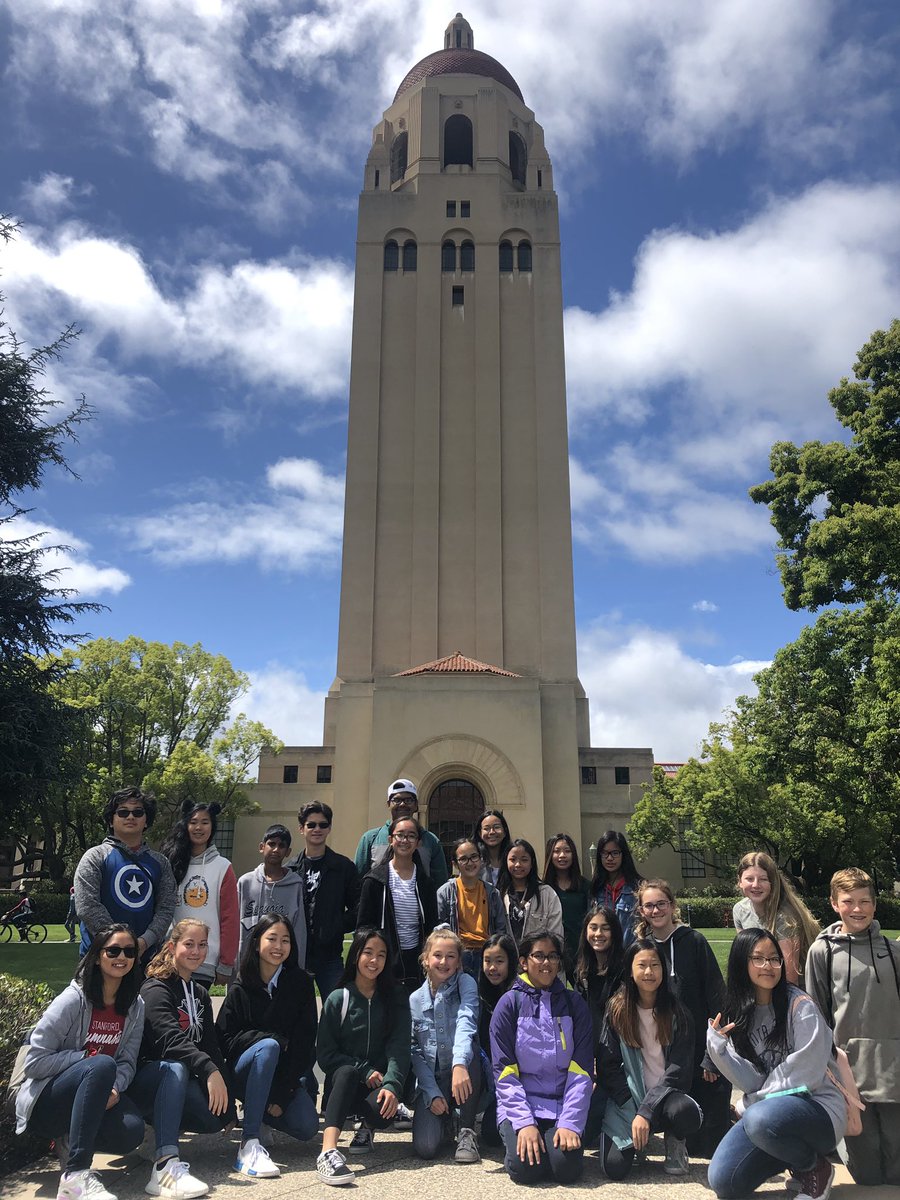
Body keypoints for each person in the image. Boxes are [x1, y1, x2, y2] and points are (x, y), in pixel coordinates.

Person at [707, 928, 847, 1200]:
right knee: (724, 1181)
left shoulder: (800, 1006)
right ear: (741, 962)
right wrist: (718, 1051)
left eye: (774, 959)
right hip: (771, 1115)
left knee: (758, 1118)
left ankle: (813, 1167)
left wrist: (753, 1102)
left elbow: (804, 1075)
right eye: (758, 958)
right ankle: (792, 1158)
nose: (768, 966)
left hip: (819, 1111)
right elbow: (751, 1082)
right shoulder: (741, 1014)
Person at [15, 924, 146, 1200]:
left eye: (129, 951)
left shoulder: (135, 1006)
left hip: (96, 1092)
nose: (121, 956)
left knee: (131, 1131)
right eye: (113, 950)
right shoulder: (73, 999)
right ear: (98, 956)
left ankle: (69, 1143)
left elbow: (127, 1062)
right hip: (47, 1102)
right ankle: (75, 1177)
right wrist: (86, 1058)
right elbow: (34, 1062)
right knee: (101, 1064)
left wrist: (114, 1088)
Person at [805, 866, 900, 1186]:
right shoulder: (822, 952)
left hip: (893, 1071)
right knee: (867, 1171)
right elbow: (814, 1016)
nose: (857, 909)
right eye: (848, 901)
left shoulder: (893, 952)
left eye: (864, 901)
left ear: (875, 904)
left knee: (897, 1168)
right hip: (849, 1075)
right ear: (834, 903)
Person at [128, 919, 235, 1200]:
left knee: (214, 1120)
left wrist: (229, 1106)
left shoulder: (199, 993)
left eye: (202, 945)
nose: (196, 951)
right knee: (174, 1068)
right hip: (147, 1080)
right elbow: (169, 1041)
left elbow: (211, 1046)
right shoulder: (155, 989)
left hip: (182, 1079)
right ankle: (164, 1164)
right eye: (189, 944)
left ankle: (162, 1128)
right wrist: (208, 1071)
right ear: (172, 946)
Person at [634, 878, 732, 1156]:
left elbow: (718, 1001)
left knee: (707, 1149)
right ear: (642, 911)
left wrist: (712, 1057)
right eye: (649, 906)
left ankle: (729, 1118)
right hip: (665, 1051)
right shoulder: (643, 950)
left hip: (701, 1053)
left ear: (672, 906)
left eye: (661, 904)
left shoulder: (695, 942)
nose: (656, 911)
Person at [216, 914, 319, 1178]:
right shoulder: (240, 986)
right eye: (272, 938)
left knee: (307, 1127)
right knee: (269, 1047)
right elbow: (224, 1040)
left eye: (285, 940)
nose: (279, 946)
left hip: (281, 1078)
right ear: (257, 942)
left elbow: (305, 1044)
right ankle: (249, 1143)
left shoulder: (302, 983)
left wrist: (282, 1094)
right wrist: (268, 1039)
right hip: (244, 1072)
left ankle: (259, 1112)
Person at [490, 929, 593, 1185]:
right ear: (524, 962)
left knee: (567, 1171)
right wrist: (524, 1123)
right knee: (525, 1170)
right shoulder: (509, 1004)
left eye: (553, 956)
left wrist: (570, 1122)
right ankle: (516, 1140)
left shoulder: (574, 1004)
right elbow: (504, 1073)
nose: (546, 963)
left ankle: (551, 1146)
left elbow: (582, 1071)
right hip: (521, 1104)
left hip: (562, 1106)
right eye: (538, 956)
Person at [314, 927, 412, 1185]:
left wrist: (392, 1085)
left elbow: (399, 1046)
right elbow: (326, 1054)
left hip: (377, 1086)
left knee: (384, 1108)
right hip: (344, 1087)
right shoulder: (339, 998)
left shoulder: (396, 997)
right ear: (355, 954)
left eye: (381, 955)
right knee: (346, 1072)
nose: (374, 960)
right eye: (368, 952)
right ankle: (327, 1152)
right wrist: (363, 1069)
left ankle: (367, 1128)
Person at [74, 787, 176, 960]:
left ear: (146, 821)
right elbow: (87, 906)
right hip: (99, 959)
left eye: (138, 812)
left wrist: (144, 942)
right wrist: (122, 944)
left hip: (146, 960)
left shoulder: (161, 863)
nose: (130, 817)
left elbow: (166, 908)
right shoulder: (95, 856)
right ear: (111, 820)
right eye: (122, 812)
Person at [409, 928, 482, 1163]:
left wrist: (459, 1063)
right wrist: (431, 1093)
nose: (443, 962)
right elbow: (415, 1052)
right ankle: (448, 1120)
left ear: (459, 961)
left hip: (463, 1072)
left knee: (471, 1055)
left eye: (451, 956)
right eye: (438, 955)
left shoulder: (465, 983)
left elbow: (466, 1021)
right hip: (434, 1078)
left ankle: (467, 1130)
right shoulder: (414, 1000)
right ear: (426, 959)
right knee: (426, 1147)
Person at [160, 801, 238, 988]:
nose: (199, 827)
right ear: (186, 825)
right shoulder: (171, 863)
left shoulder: (223, 867)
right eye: (194, 822)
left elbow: (230, 918)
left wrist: (226, 964)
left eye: (205, 822)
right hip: (171, 958)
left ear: (213, 827)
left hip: (205, 960)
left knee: (195, 1013)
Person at [356, 815, 438, 992]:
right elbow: (364, 926)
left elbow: (431, 924)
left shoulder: (425, 883)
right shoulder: (374, 881)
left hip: (417, 959)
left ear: (418, 842)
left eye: (411, 836)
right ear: (390, 840)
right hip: (385, 957)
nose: (405, 840)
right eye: (400, 835)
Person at [288, 801, 361, 999]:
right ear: (301, 828)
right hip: (296, 957)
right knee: (297, 1016)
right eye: (311, 825)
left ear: (329, 828)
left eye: (323, 824)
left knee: (339, 1010)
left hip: (330, 957)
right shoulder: (290, 870)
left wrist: (336, 925)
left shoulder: (343, 867)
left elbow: (358, 906)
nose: (317, 829)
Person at [572, 905, 625, 1144]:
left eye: (605, 928)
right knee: (584, 1135)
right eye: (593, 928)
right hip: (589, 1058)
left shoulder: (625, 969)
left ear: (614, 932)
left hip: (618, 1060)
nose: (598, 934)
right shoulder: (581, 971)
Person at [732, 851, 820, 985]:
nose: (756, 885)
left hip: (796, 992)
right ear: (740, 882)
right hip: (763, 985)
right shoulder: (739, 910)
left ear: (772, 882)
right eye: (749, 879)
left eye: (763, 879)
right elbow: (746, 956)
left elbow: (790, 977)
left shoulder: (785, 918)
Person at [354, 779, 449, 887]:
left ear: (416, 805)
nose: (402, 804)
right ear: (388, 804)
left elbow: (440, 884)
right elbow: (358, 881)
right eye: (397, 800)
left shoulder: (431, 840)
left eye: (408, 800)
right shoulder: (370, 839)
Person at [435, 837, 508, 976]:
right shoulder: (445, 892)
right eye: (463, 859)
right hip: (458, 954)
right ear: (455, 864)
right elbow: (441, 929)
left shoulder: (492, 893)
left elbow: (500, 929)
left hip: (486, 953)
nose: (470, 863)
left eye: (474, 857)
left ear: (481, 859)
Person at [237, 823, 306, 964]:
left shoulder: (296, 885)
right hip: (247, 964)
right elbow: (234, 925)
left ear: (288, 851)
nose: (276, 849)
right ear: (262, 847)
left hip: (281, 964)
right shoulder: (245, 883)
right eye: (271, 844)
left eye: (281, 846)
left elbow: (299, 932)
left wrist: (298, 967)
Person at [478, 932, 518, 1148]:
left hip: (518, 1078)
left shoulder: (521, 994)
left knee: (494, 1134)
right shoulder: (479, 995)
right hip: (491, 1075)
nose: (492, 967)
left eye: (499, 961)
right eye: (487, 961)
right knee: (490, 1135)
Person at [496, 838, 563, 951]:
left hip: (538, 962)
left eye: (524, 860)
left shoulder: (547, 894)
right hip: (507, 964)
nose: (518, 864)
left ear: (532, 863)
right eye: (513, 859)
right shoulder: (498, 894)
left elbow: (556, 935)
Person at [542, 833, 591, 976]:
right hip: (552, 954)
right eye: (557, 851)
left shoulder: (585, 886)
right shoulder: (543, 888)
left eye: (567, 851)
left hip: (580, 953)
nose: (562, 855)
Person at [589, 829, 642, 947]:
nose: (609, 858)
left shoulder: (637, 888)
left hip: (629, 955)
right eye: (605, 853)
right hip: (602, 955)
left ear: (624, 855)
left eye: (615, 853)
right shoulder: (596, 889)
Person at [472, 810, 512, 887]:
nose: (492, 832)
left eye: (496, 827)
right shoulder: (473, 861)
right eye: (486, 828)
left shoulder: (513, 859)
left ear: (505, 831)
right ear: (480, 833)